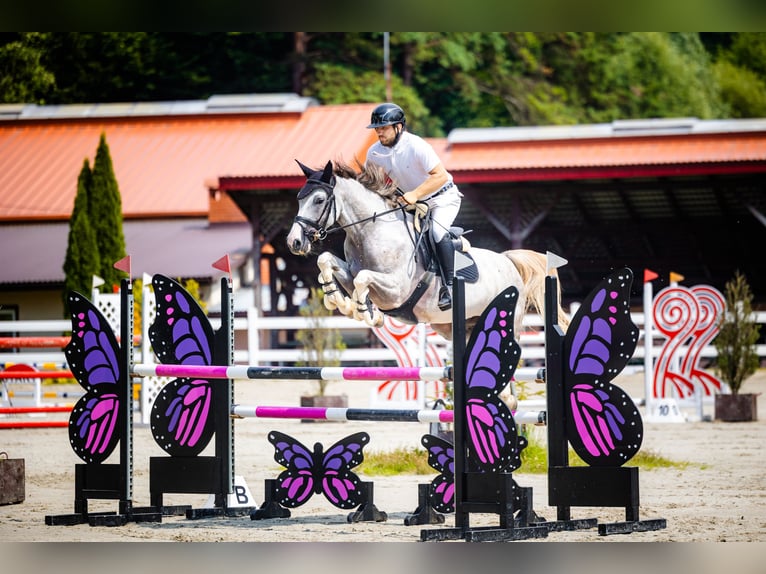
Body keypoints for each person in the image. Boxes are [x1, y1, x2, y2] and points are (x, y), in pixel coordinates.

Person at [365, 102, 463, 310]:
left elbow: (440, 176)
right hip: (412, 204)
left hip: (442, 198)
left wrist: (415, 194)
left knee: (436, 232)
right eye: (377, 129)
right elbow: (371, 185)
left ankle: (449, 287)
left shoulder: (416, 145)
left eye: (383, 128)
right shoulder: (374, 153)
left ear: (398, 127)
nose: (379, 132)